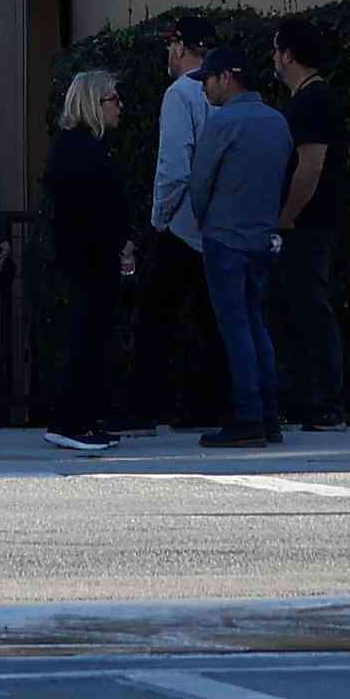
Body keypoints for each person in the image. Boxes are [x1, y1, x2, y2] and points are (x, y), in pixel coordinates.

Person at [178, 40, 297, 448]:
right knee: (257, 323)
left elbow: (199, 184)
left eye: (207, 80)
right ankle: (269, 417)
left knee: (236, 328)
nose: (204, 88)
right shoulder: (278, 123)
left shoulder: (222, 123)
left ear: (227, 78)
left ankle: (248, 417)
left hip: (225, 237)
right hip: (263, 238)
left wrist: (205, 219)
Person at [37, 68, 135, 448]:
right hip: (89, 258)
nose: (120, 106)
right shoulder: (80, 151)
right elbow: (92, 210)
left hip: (91, 256)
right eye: (114, 99)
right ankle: (71, 421)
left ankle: (83, 419)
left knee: (93, 337)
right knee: (87, 337)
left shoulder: (80, 147)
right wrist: (118, 242)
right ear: (95, 103)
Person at [265, 18, 345, 432]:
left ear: (289, 54)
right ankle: (304, 399)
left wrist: (287, 216)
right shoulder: (304, 99)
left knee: (312, 311)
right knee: (295, 311)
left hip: (307, 226)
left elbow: (310, 165)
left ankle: (326, 403)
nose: (273, 58)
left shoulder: (314, 100)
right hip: (302, 224)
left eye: (277, 50)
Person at [142, 24, 219, 427]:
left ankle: (148, 405)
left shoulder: (180, 94)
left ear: (180, 48)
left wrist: (159, 218)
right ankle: (211, 403)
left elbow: (174, 168)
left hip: (182, 226)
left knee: (157, 319)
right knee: (212, 320)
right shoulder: (226, 94)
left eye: (171, 44)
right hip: (220, 226)